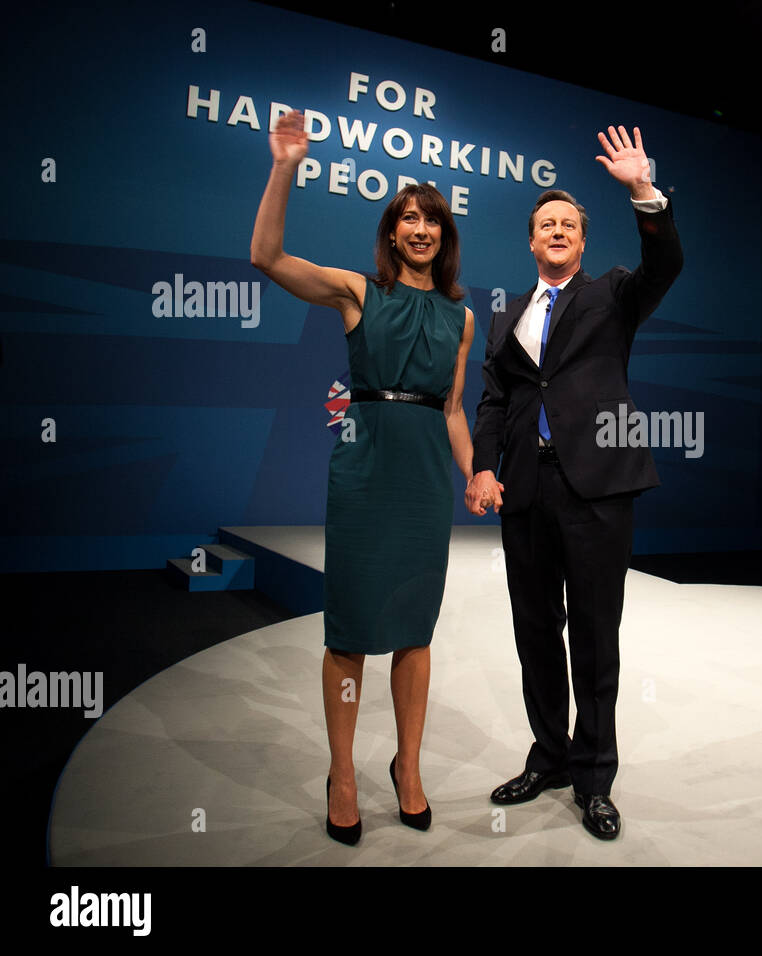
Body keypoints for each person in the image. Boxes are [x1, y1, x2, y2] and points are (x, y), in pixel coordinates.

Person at [251, 111, 476, 845]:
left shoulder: (461, 317)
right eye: (406, 219)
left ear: (443, 237)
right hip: (365, 474)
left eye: (430, 220)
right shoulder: (356, 292)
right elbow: (267, 257)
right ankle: (342, 773)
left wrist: (476, 475)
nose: (418, 229)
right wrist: (286, 165)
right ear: (390, 234)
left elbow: (451, 411)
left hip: (423, 485)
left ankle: (407, 769)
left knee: (415, 633)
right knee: (348, 633)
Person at [467, 126, 683, 840]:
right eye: (545, 224)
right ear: (531, 243)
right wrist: (483, 466)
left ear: (581, 243)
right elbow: (495, 399)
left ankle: (595, 779)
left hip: (597, 490)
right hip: (524, 492)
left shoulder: (615, 295)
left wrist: (641, 192)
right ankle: (550, 757)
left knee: (594, 636)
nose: (556, 230)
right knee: (536, 633)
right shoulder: (508, 316)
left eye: (567, 224)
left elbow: (666, 262)